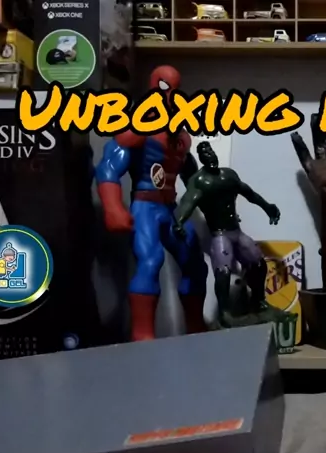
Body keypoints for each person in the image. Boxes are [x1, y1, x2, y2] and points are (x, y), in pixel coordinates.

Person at [95, 65, 207, 342]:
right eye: (164, 87)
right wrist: (113, 206)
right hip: (145, 205)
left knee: (195, 264)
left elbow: (192, 176)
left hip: (171, 208)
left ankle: (197, 330)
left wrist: (211, 205)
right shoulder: (138, 127)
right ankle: (143, 336)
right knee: (150, 260)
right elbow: (109, 166)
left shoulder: (180, 136)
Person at [173, 141, 280, 327]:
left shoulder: (228, 175)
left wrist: (267, 206)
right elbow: (188, 202)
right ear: (201, 158)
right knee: (223, 271)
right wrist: (180, 221)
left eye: (210, 151)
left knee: (258, 263)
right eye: (204, 153)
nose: (209, 155)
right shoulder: (200, 181)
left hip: (236, 231)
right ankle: (224, 312)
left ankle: (259, 301)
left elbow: (249, 193)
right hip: (220, 234)